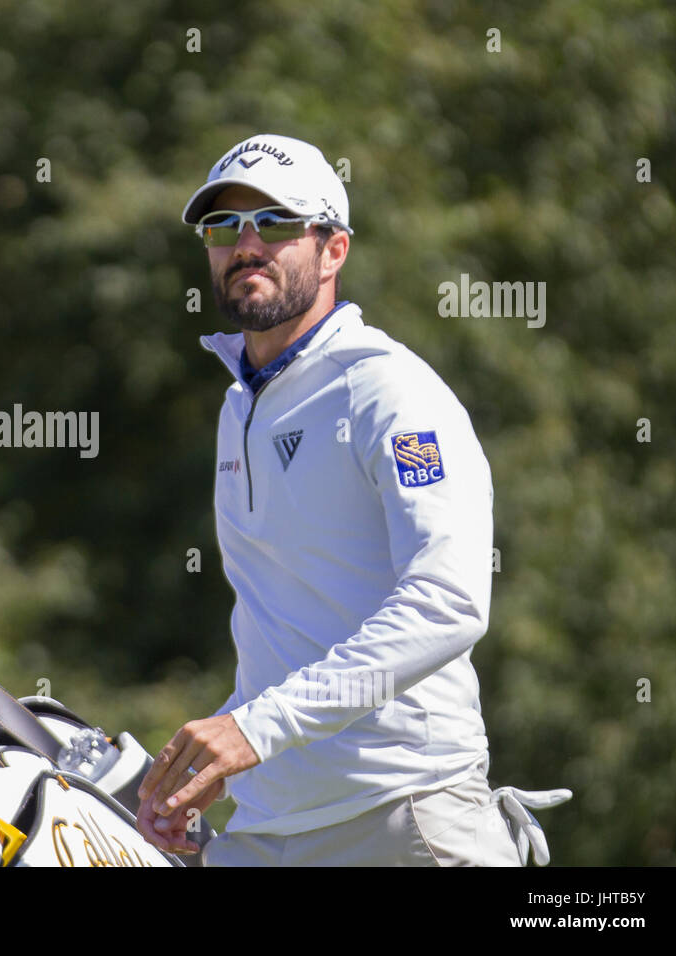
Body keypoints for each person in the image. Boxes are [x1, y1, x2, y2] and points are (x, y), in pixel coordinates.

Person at [135, 134, 569, 866]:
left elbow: (448, 603)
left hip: (405, 816)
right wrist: (208, 758)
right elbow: (289, 623)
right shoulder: (238, 403)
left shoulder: (391, 392)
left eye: (272, 223)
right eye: (222, 228)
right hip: (270, 831)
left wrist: (255, 730)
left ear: (333, 249)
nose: (245, 245)